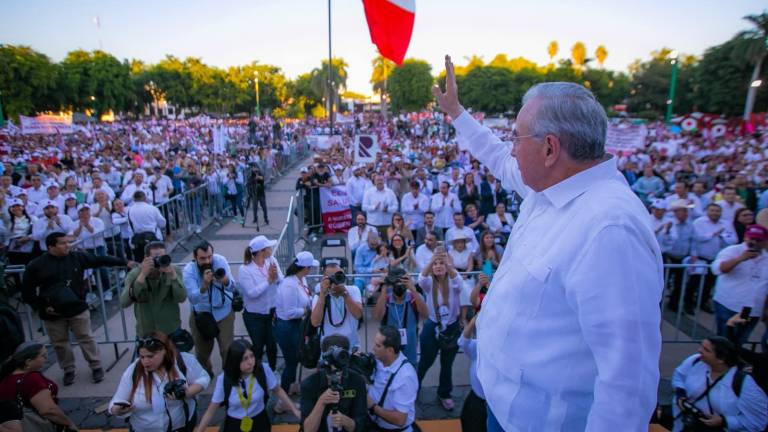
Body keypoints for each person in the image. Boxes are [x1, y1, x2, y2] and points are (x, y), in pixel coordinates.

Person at [433, 58, 662, 430]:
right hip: (499, 408)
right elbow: (493, 154)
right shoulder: (548, 187)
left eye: (516, 138)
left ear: (550, 148)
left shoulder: (610, 229)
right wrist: (457, 113)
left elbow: (626, 385)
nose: (510, 148)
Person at [22, 232, 136, 385]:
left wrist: (125, 262)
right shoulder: (36, 265)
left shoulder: (77, 257)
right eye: (62, 243)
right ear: (51, 247)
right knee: (60, 343)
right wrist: (42, 307)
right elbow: (27, 292)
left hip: (77, 307)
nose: (67, 245)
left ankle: (96, 366)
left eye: (67, 242)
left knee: (86, 338)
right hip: (52, 313)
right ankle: (68, 369)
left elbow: (100, 260)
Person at [109, 331, 210, 432]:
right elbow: (115, 402)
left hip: (180, 428)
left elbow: (204, 378)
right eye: (142, 357)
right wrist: (117, 410)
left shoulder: (182, 361)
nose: (145, 361)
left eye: (150, 356)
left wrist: (187, 392)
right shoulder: (133, 371)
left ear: (165, 351)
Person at [194, 340, 300, 432]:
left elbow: (278, 390)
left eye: (252, 356)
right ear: (235, 361)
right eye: (245, 359)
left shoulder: (263, 369)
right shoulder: (224, 379)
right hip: (234, 424)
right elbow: (211, 410)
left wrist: (294, 409)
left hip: (260, 421)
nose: (250, 362)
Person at [671, 337, 767, 432]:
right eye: (701, 346)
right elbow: (679, 377)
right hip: (685, 425)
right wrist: (680, 394)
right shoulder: (695, 360)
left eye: (706, 350)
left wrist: (724, 422)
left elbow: (757, 422)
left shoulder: (746, 384)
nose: (699, 350)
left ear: (721, 359)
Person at [416, 249, 463, 411]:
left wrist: (446, 263)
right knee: (425, 362)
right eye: (435, 264)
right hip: (432, 325)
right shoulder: (429, 283)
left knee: (447, 364)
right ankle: (414, 388)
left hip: (451, 327)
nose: (438, 266)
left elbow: (458, 279)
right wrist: (432, 261)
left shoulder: (454, 283)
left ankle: (444, 393)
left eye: (441, 263)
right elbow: (421, 278)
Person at [184, 241, 236, 375]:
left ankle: (228, 377)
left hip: (223, 312)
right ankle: (206, 374)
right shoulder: (189, 270)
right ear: (195, 258)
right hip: (202, 315)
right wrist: (204, 286)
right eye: (202, 258)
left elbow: (232, 287)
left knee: (227, 349)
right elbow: (192, 299)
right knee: (202, 353)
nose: (207, 261)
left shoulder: (220, 261)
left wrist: (225, 280)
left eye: (210, 256)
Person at [0, 342, 79, 431]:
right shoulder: (32, 379)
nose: (46, 359)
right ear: (28, 362)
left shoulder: (6, 377)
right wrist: (69, 423)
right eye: (43, 356)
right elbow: (49, 410)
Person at [711, 224, 768, 344]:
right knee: (723, 343)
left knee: (740, 342)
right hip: (729, 305)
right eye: (751, 238)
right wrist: (739, 259)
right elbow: (718, 269)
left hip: (753, 310)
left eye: (758, 240)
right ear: (746, 237)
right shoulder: (732, 250)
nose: (754, 242)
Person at [300, 335, 368, 432]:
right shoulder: (310, 384)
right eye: (332, 369)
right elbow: (308, 430)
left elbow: (361, 425)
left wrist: (347, 422)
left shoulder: (357, 381)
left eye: (341, 369)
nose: (337, 374)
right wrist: (321, 402)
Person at [275, 251, 318, 399]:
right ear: (305, 268)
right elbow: (289, 312)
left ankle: (290, 388)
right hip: (287, 327)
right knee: (291, 362)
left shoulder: (301, 280)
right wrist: (306, 311)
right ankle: (283, 396)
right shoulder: (289, 285)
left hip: (295, 326)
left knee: (294, 360)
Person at [121, 241, 186, 337]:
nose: (159, 261)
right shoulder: (135, 274)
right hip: (147, 332)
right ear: (146, 258)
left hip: (171, 330)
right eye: (156, 258)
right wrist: (142, 275)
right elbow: (124, 302)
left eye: (162, 257)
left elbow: (182, 298)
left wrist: (173, 276)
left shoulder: (174, 270)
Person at [238, 235, 283, 371]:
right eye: (269, 247)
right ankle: (255, 372)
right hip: (254, 315)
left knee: (272, 344)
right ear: (262, 251)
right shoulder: (245, 269)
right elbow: (252, 293)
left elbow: (280, 279)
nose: (271, 249)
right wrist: (268, 281)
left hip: (271, 312)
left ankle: (273, 370)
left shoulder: (272, 260)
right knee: (257, 346)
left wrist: (274, 278)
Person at [366, 326, 419, 432]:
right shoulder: (380, 360)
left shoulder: (406, 377)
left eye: (378, 345)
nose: (373, 348)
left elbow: (400, 420)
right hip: (373, 424)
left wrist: (372, 406)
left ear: (390, 350)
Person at [372, 268, 428, 366]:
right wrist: (384, 289)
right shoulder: (386, 299)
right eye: (396, 281)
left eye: (402, 281)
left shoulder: (414, 298)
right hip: (388, 355)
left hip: (410, 355)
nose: (399, 285)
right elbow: (377, 316)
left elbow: (425, 315)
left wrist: (413, 290)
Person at [692, 203, 737, 313]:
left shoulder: (726, 224)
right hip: (700, 258)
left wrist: (723, 236)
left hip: (716, 259)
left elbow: (733, 239)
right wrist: (713, 234)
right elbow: (698, 237)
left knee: (709, 283)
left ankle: (702, 302)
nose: (715, 213)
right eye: (712, 210)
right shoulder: (699, 222)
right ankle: (688, 303)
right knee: (694, 282)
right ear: (707, 211)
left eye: (717, 211)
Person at [310, 269, 364, 349]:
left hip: (350, 345)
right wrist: (322, 294)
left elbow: (358, 315)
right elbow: (315, 322)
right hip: (327, 346)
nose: (335, 279)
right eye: (332, 277)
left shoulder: (353, 290)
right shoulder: (320, 295)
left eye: (339, 275)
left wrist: (345, 294)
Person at [664, 199, 699, 313]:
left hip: (683, 258)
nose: (686, 213)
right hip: (668, 257)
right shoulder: (669, 223)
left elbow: (693, 240)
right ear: (676, 212)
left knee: (680, 283)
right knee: (663, 281)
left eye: (686, 211)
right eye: (683, 211)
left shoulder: (690, 225)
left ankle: (674, 304)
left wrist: (694, 254)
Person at [459, 315, 486, 432]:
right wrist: (474, 321)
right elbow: (462, 342)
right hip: (476, 400)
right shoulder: (478, 347)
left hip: (494, 406)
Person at [127, 190, 167, 262]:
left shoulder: (130, 210)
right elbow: (162, 223)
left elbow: (130, 227)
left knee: (141, 263)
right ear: (144, 197)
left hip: (138, 241)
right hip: (154, 238)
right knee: (158, 262)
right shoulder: (152, 208)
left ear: (134, 199)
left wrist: (131, 242)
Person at [362, 174, 399, 240]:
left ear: (384, 180)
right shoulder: (369, 192)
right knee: (374, 244)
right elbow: (364, 207)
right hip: (373, 224)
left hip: (387, 224)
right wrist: (373, 207)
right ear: (374, 181)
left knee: (387, 245)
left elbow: (396, 207)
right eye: (378, 180)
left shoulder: (390, 192)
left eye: (381, 180)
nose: (380, 182)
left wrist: (388, 209)